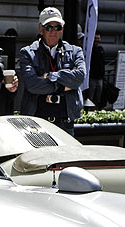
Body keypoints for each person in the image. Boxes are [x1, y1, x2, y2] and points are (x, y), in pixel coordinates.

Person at [18, 7, 86, 135]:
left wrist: (50, 76)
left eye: (57, 27)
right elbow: (32, 85)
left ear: (62, 29)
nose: (53, 31)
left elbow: (79, 77)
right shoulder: (27, 53)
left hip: (65, 123)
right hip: (36, 124)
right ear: (41, 29)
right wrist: (62, 86)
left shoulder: (75, 51)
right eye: (49, 27)